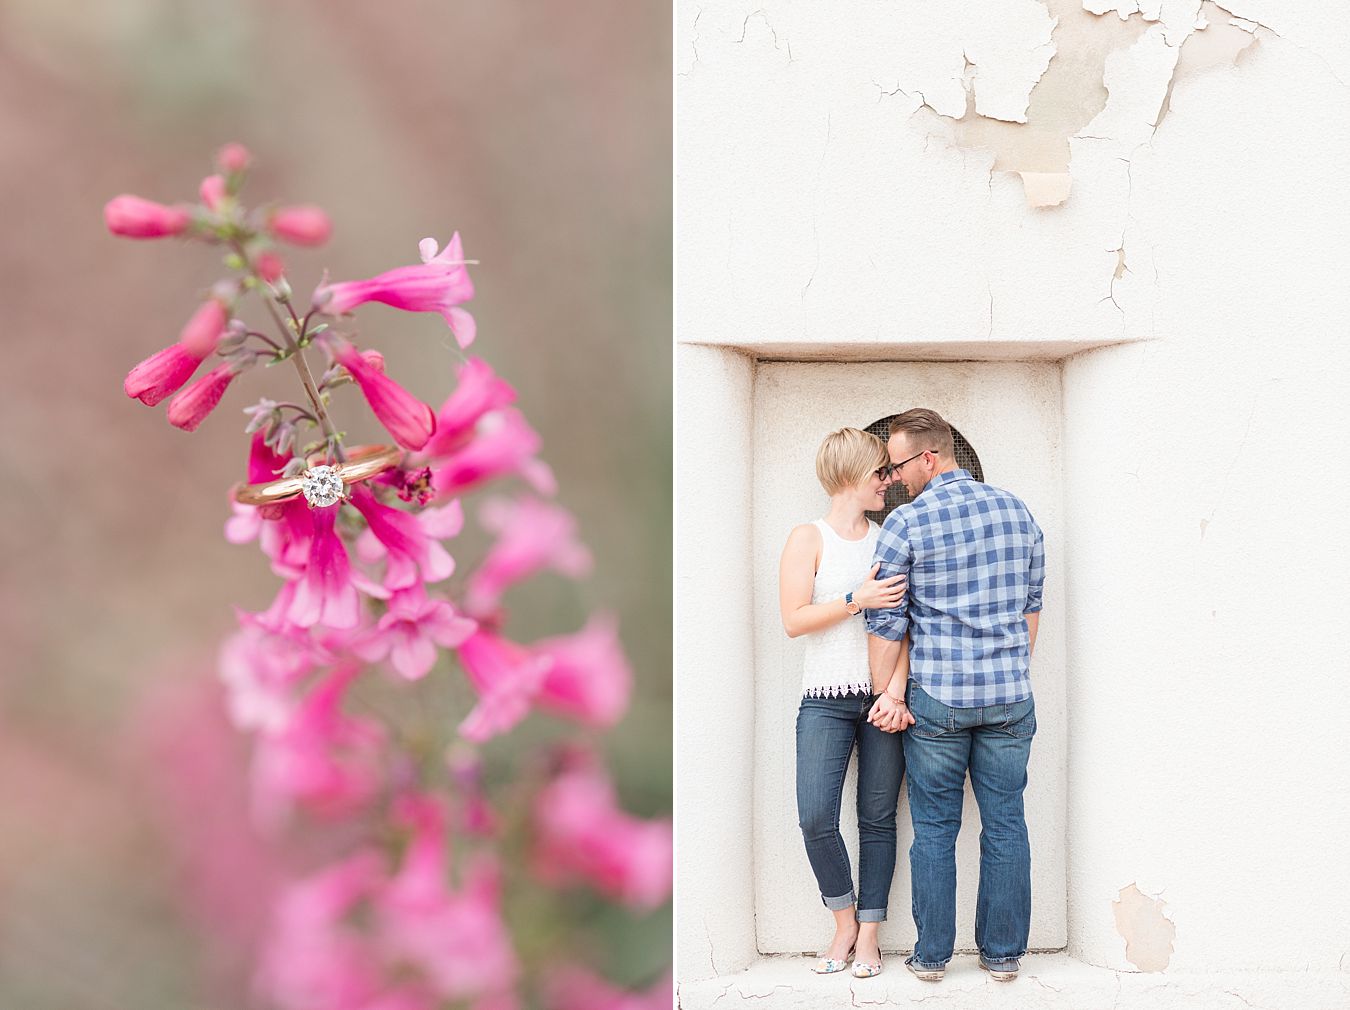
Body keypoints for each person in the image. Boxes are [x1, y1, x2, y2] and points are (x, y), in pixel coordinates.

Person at [864, 408, 1044, 984]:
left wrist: (882, 692)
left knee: (936, 828)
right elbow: (1031, 604)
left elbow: (885, 620)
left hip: (937, 698)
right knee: (1007, 823)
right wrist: (1012, 667)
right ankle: (1003, 955)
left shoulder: (907, 524)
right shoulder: (1017, 510)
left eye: (897, 466)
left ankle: (933, 957)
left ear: (930, 457)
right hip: (1010, 695)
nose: (895, 479)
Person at [778, 427, 909, 979]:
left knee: (877, 819)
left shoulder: (888, 538)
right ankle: (844, 921)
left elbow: (908, 628)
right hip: (824, 700)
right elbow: (793, 620)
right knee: (815, 816)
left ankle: (870, 937)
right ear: (854, 476)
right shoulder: (807, 538)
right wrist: (856, 600)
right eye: (881, 473)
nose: (888, 482)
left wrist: (896, 691)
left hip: (881, 697)